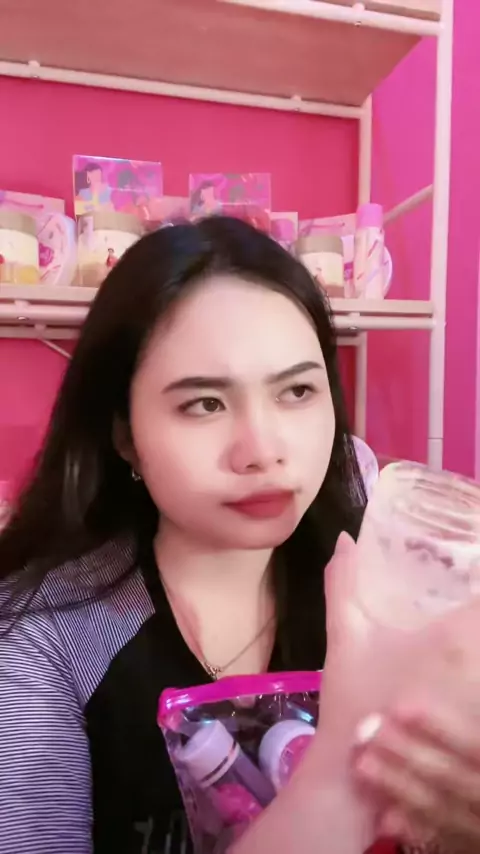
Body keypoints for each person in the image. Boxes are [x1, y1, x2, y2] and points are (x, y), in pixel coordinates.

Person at [0, 216, 366, 853]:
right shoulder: (44, 641)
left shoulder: (379, 578)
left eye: (297, 391)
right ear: (125, 436)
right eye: (205, 404)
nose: (262, 451)